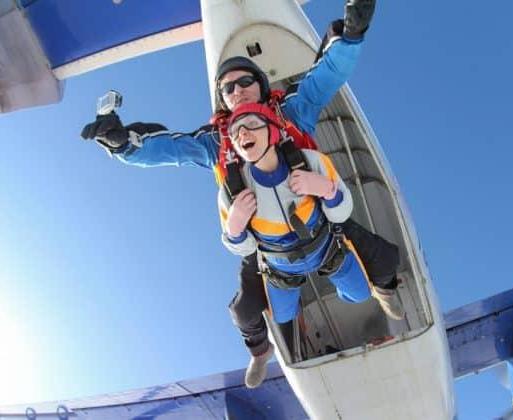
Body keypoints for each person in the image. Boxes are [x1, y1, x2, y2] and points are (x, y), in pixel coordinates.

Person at [81, 0, 403, 388]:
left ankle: (384, 293)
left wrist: (351, 35)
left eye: (244, 82)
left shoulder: (292, 113)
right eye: (228, 87)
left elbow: (327, 76)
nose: (236, 90)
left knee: (384, 260)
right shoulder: (216, 141)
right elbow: (167, 149)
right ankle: (260, 352)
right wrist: (122, 144)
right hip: (265, 241)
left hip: (316, 218)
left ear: (262, 86)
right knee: (245, 311)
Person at [219, 103, 373, 328]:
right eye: (235, 133)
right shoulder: (232, 189)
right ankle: (296, 308)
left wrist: (328, 191)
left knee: (361, 294)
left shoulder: (311, 161)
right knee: (282, 318)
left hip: (327, 252)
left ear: (272, 129)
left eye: (252, 125)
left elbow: (341, 213)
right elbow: (246, 249)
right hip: (281, 269)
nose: (242, 134)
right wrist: (234, 230)